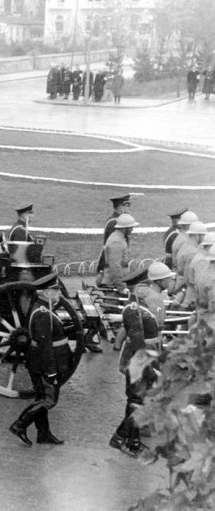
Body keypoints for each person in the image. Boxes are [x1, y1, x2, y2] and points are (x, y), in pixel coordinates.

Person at [109, 264, 169, 457]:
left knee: (137, 398)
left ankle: (132, 440)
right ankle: (120, 438)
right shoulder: (141, 304)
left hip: (140, 355)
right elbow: (140, 339)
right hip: (140, 357)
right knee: (136, 399)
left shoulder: (138, 302)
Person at [9, 273, 70, 446]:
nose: (59, 294)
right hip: (43, 364)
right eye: (55, 290)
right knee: (49, 400)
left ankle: (43, 434)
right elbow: (46, 345)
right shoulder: (43, 313)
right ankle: (20, 425)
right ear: (45, 293)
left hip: (37, 362)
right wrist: (51, 371)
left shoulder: (41, 307)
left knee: (42, 397)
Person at [95, 195, 131, 285]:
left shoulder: (115, 220)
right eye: (127, 205)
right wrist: (101, 270)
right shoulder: (116, 222)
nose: (129, 209)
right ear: (122, 207)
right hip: (114, 268)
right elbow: (109, 248)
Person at [102, 214, 138, 292]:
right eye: (131, 227)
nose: (132, 230)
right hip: (113, 284)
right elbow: (115, 266)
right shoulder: (117, 241)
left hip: (116, 282)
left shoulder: (120, 239)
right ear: (125, 228)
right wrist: (122, 287)